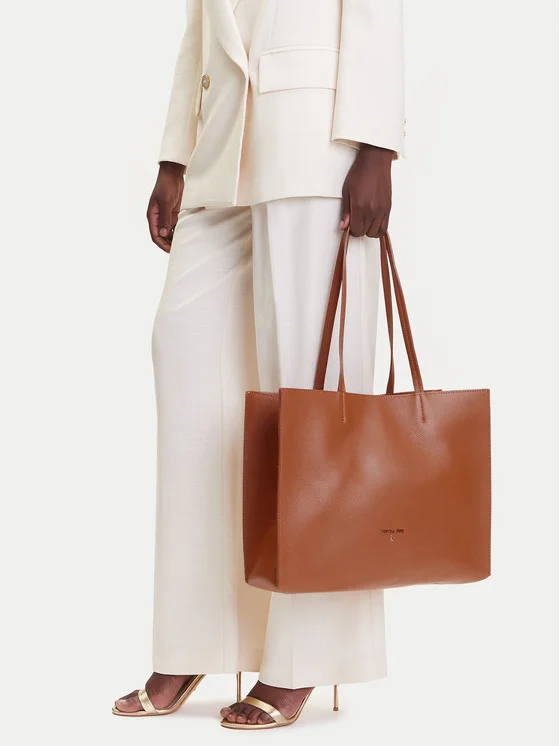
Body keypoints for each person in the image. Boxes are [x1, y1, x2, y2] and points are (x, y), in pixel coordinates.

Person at [113, 0, 406, 730]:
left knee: (311, 396)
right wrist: (174, 155)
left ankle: (305, 653)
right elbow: (200, 26)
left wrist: (377, 143)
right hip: (222, 144)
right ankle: (199, 633)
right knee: (185, 358)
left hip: (319, 139)